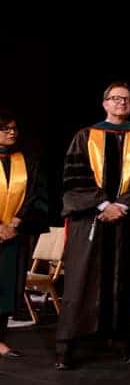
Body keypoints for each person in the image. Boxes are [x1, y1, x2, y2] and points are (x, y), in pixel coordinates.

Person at [56, 82, 130, 369]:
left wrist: (121, 206)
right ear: (104, 103)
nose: (121, 102)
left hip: (128, 221)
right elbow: (74, 177)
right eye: (115, 98)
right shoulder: (85, 136)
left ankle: (127, 343)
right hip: (91, 218)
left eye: (126, 99)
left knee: (128, 279)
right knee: (81, 281)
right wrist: (103, 204)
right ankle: (69, 348)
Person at [0, 110, 48, 359]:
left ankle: (0, 339)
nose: (12, 132)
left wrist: (15, 223)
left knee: (7, 289)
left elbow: (34, 195)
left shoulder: (27, 160)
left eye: (14, 128)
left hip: (14, 235)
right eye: (6, 128)